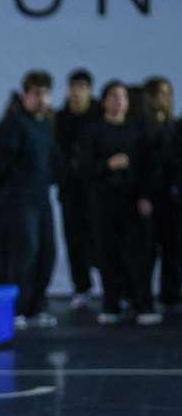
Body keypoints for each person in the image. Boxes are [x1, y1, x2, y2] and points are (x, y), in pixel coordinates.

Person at [79, 80, 161, 325]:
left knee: (139, 255)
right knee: (107, 255)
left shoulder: (138, 129)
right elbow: (83, 168)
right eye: (113, 96)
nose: (118, 101)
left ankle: (142, 304)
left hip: (132, 202)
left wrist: (145, 196)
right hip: (103, 202)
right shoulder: (93, 131)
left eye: (122, 97)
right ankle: (111, 305)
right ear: (104, 101)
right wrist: (107, 165)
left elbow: (149, 166)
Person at [0, 71, 59, 329]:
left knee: (47, 253)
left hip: (42, 199)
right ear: (25, 95)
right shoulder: (13, 125)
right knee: (23, 255)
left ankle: (37, 308)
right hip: (19, 201)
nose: (42, 99)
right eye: (36, 93)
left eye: (46, 93)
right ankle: (16, 311)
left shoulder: (46, 124)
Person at [55, 69, 100, 310]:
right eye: (73, 87)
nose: (77, 92)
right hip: (70, 190)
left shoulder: (99, 114)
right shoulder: (60, 118)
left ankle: (116, 288)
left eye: (82, 87)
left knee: (100, 240)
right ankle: (81, 287)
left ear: (89, 90)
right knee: (74, 240)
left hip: (97, 190)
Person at [142, 77, 179, 312]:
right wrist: (143, 195)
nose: (164, 99)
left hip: (173, 198)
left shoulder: (175, 126)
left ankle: (170, 295)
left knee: (173, 248)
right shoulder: (141, 126)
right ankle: (141, 298)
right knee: (146, 251)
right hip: (149, 197)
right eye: (159, 94)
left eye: (167, 94)